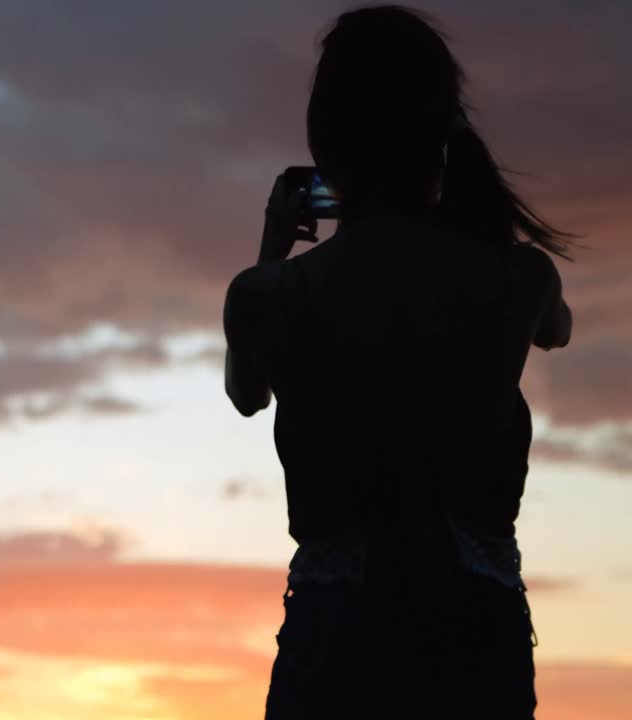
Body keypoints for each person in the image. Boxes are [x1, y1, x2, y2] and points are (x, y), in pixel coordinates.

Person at [221, 6, 576, 719]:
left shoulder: (270, 294)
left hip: (336, 633)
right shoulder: (517, 279)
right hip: (475, 628)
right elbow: (557, 332)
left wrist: (270, 247)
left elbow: (245, 392)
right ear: (442, 136)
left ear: (328, 143)